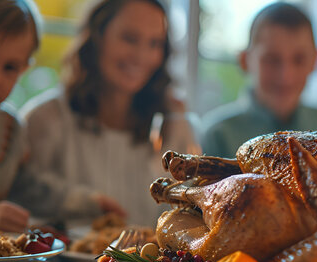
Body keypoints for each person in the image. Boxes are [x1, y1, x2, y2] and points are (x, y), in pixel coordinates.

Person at [0, 0, 123, 232]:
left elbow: (27, 188)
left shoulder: (10, 129)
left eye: (9, 67)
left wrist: (86, 201)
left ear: (24, 69)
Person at [21, 0, 200, 227]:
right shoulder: (45, 118)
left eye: (155, 43)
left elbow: (189, 208)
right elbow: (24, 204)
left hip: (150, 260)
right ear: (96, 38)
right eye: (130, 39)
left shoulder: (173, 121)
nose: (142, 56)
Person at [200, 2, 317, 158]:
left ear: (315, 61)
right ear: (245, 60)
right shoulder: (217, 136)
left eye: (299, 60)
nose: (286, 76)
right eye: (271, 60)